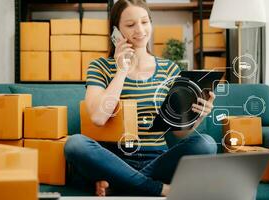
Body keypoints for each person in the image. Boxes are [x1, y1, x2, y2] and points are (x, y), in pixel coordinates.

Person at [64, 0, 217, 196]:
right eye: (130, 25)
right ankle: (156, 188)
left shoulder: (169, 69)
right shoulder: (100, 67)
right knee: (75, 144)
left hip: (157, 160)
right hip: (113, 160)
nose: (140, 30)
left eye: (144, 22)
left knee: (207, 143)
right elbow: (98, 117)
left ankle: (120, 185)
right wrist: (121, 70)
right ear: (115, 32)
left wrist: (199, 114)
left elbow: (179, 133)